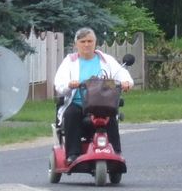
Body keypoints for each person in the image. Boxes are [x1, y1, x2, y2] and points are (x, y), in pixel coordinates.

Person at [53, 27, 135, 160]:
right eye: (83, 41)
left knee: (110, 115)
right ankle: (73, 154)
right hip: (78, 103)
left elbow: (122, 75)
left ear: (95, 42)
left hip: (101, 103)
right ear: (76, 44)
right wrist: (69, 84)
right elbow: (59, 84)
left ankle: (115, 152)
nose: (86, 44)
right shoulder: (70, 61)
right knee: (71, 114)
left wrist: (126, 83)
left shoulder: (106, 60)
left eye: (90, 41)